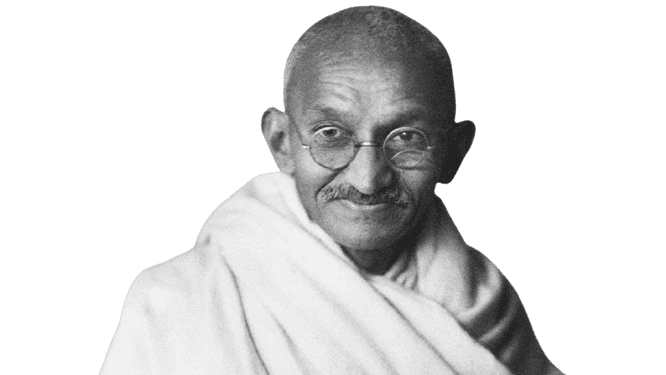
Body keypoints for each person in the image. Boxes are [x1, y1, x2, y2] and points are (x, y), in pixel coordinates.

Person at [100, 6, 564, 375]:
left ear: (455, 153)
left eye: (405, 138)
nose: (367, 180)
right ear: (282, 144)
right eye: (331, 135)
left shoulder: (489, 306)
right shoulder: (177, 300)